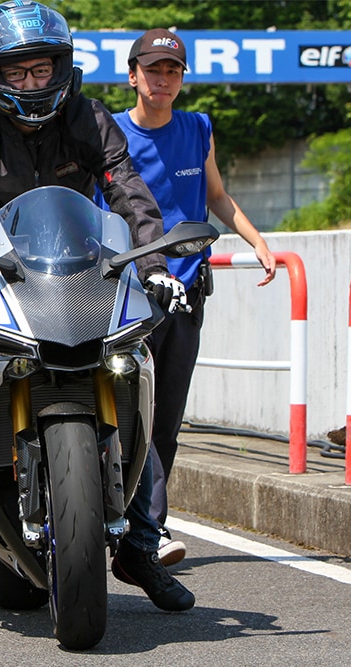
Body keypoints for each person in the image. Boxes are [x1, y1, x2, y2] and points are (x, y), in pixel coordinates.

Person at [0, 1, 193, 611]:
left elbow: (131, 196)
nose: (34, 84)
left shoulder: (90, 119)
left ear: (62, 67)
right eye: (19, 74)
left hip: (82, 267)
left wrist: (155, 268)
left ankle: (140, 547)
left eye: (43, 71)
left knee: (132, 365)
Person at [115, 28, 277, 566]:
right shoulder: (107, 135)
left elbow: (217, 197)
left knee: (165, 417)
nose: (163, 80)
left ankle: (150, 528)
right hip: (124, 296)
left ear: (182, 79)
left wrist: (258, 242)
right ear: (133, 74)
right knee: (122, 414)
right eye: (153, 70)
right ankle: (110, 513)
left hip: (185, 294)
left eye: (173, 71)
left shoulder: (198, 128)